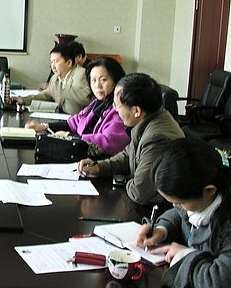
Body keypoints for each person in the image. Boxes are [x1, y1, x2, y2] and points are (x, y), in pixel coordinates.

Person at [135, 139, 231, 288]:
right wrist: (162, 229)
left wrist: (185, 256)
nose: (175, 207)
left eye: (179, 202)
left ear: (209, 190)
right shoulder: (203, 200)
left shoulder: (227, 226)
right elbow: (180, 215)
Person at [78, 73, 185, 206]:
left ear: (136, 111)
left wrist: (123, 180)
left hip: (158, 209)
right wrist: (99, 168)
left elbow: (139, 192)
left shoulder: (157, 138)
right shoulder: (149, 119)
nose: (115, 111)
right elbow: (128, 155)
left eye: (117, 106)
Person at [25, 57, 129, 158]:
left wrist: (70, 137)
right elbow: (73, 123)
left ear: (116, 80)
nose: (97, 85)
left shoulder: (119, 110)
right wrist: (44, 127)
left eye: (103, 80)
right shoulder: (96, 104)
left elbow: (108, 142)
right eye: (93, 80)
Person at [17, 43, 91, 115]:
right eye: (51, 62)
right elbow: (47, 94)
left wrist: (62, 89)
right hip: (61, 117)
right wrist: (23, 100)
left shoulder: (81, 74)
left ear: (69, 63)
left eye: (55, 62)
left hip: (79, 120)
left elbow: (88, 98)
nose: (52, 66)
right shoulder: (55, 77)